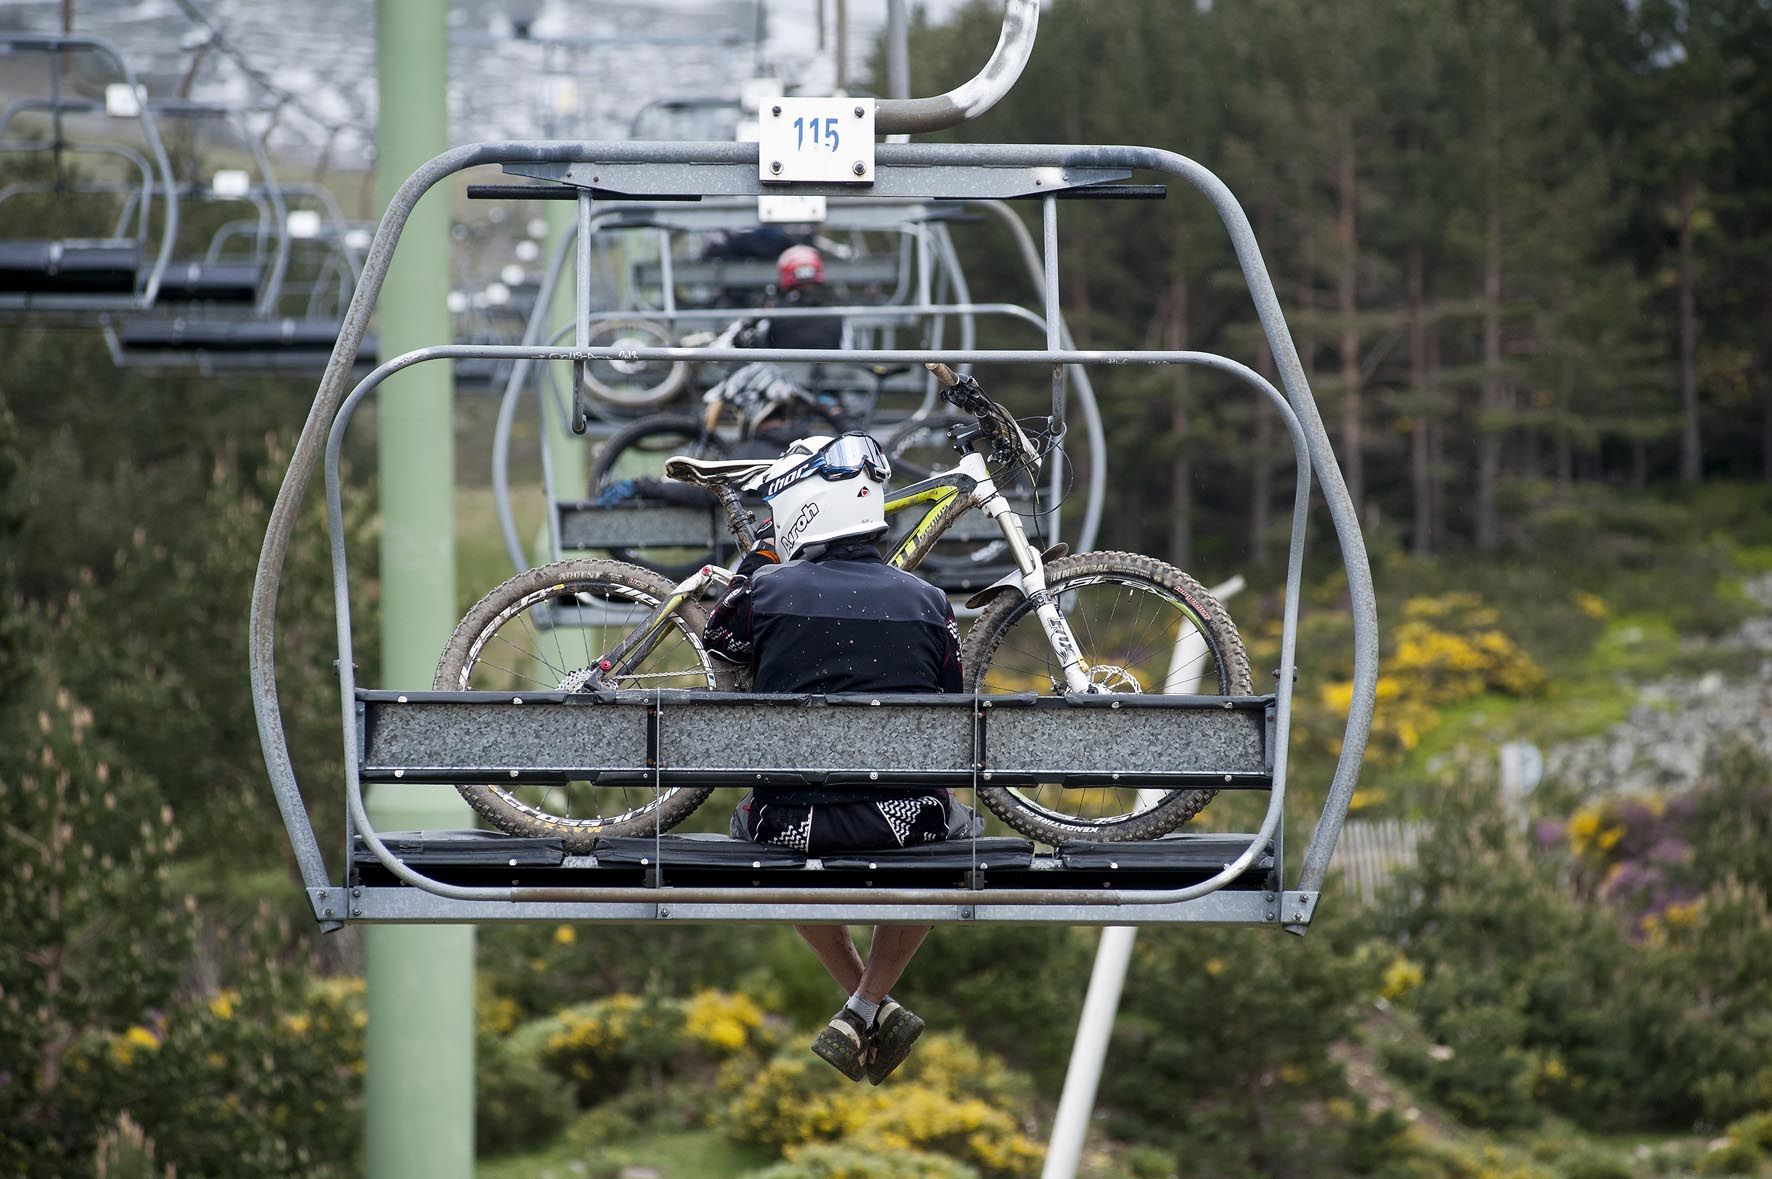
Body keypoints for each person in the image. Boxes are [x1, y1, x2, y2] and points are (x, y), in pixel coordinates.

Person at [701, 432, 969, 1084]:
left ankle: (863, 1000)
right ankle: (866, 1003)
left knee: (753, 821)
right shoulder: (929, 601)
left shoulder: (763, 588)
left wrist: (751, 572)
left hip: (791, 825)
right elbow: (953, 702)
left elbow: (717, 652)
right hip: (906, 823)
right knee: (951, 831)